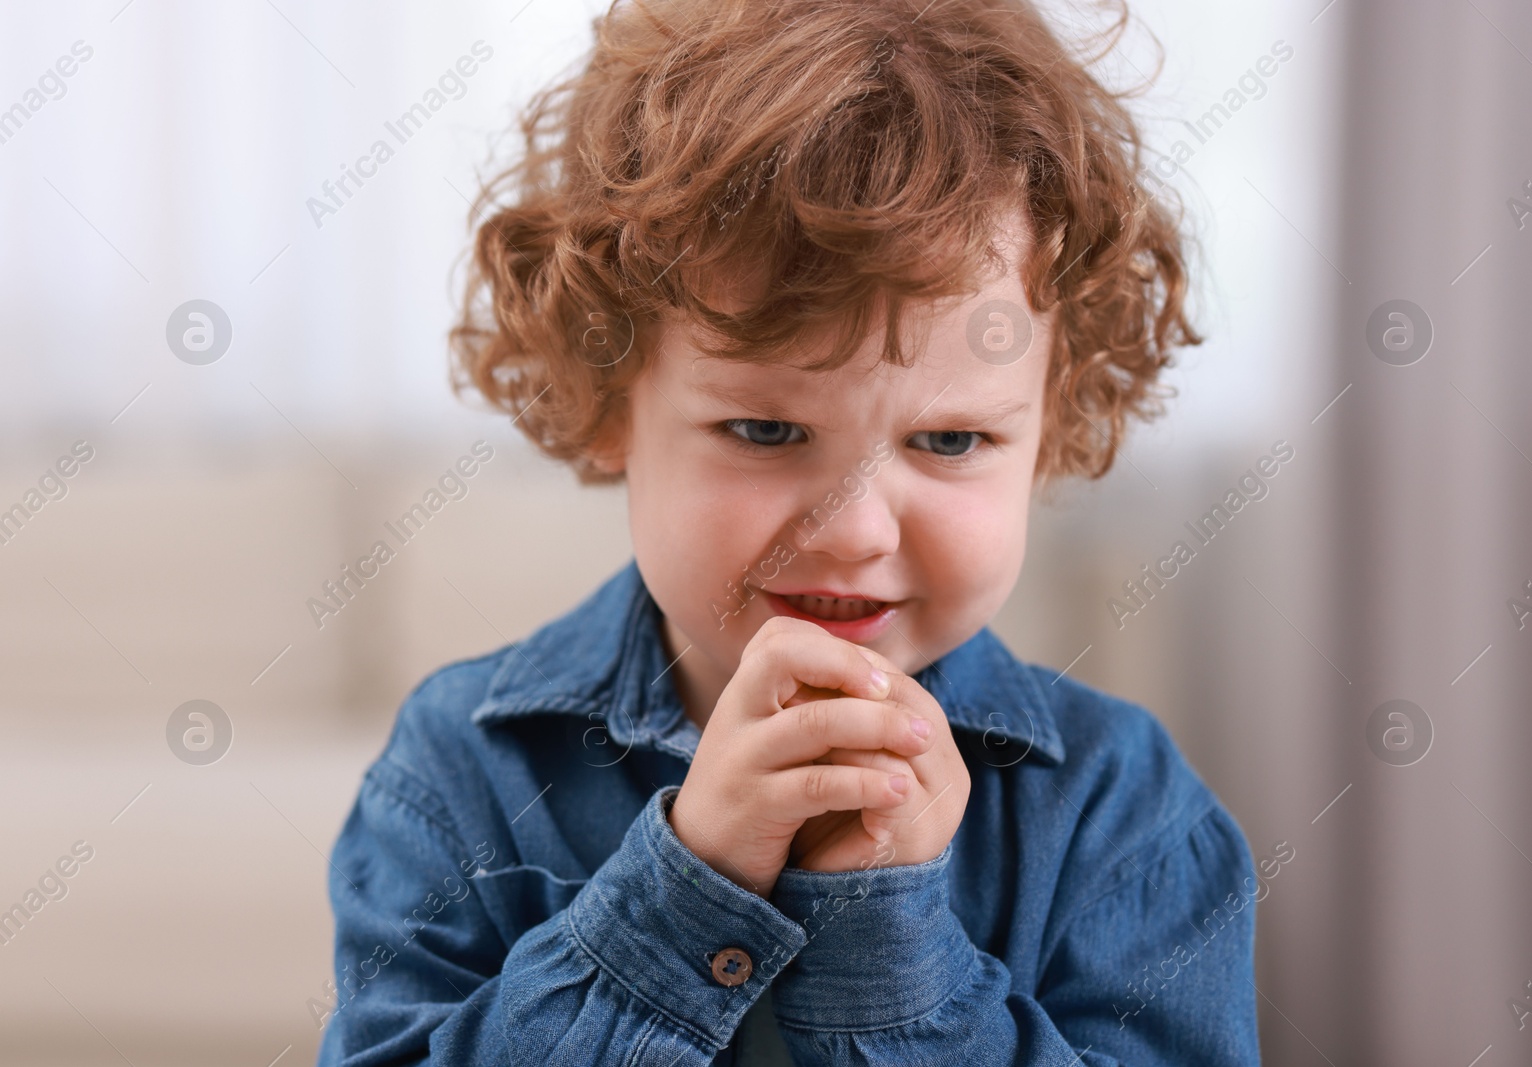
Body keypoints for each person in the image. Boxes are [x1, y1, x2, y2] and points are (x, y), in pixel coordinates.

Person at [315, 0, 1262, 1062]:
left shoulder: (1123, 811)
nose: (854, 529)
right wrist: (687, 888)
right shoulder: (460, 769)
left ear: (1051, 422)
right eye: (766, 428)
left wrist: (883, 928)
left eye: (950, 440)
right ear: (609, 397)